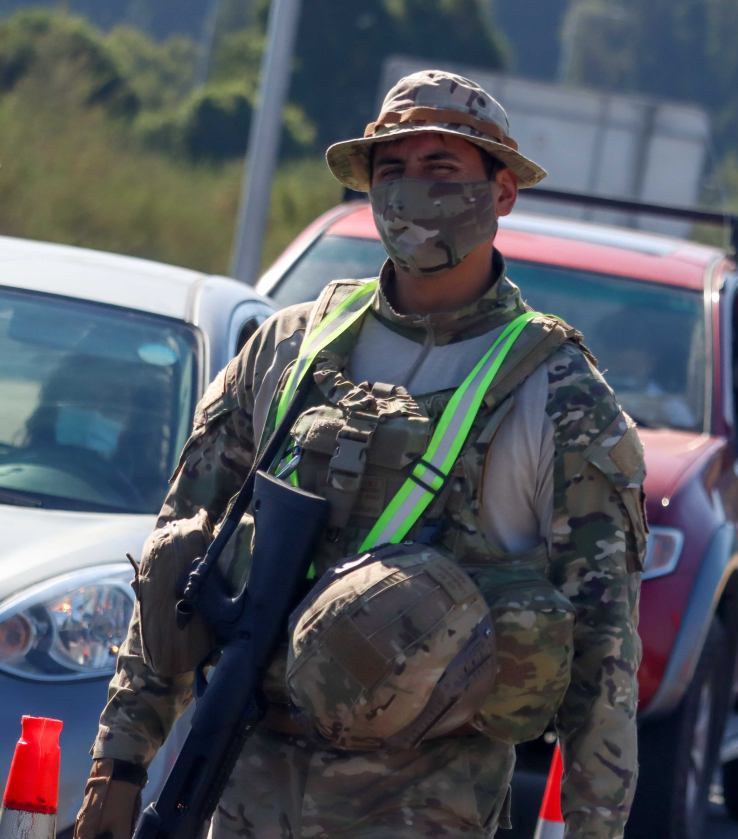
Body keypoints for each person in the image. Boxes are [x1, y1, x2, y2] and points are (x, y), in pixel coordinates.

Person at [73, 70, 645, 839]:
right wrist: (119, 764)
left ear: (502, 192)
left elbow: (605, 649)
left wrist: (594, 826)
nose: (412, 190)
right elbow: (178, 561)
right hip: (244, 791)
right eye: (392, 169)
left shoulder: (558, 393)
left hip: (424, 810)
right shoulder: (289, 347)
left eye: (441, 167)